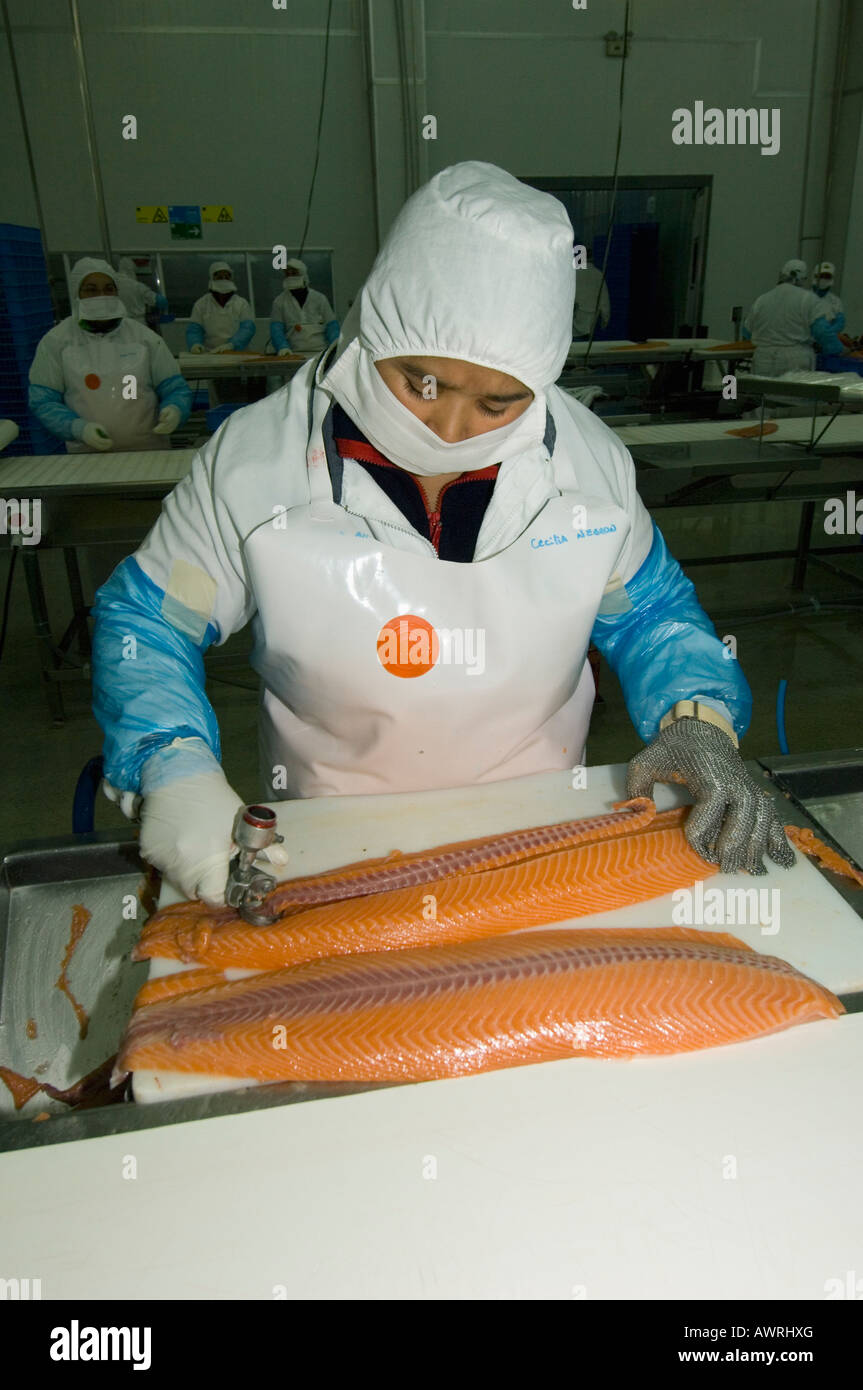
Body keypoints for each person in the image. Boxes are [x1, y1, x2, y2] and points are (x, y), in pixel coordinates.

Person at [92, 161, 794, 907]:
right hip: (329, 837)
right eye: (420, 384)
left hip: (546, 822)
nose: (452, 430)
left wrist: (698, 716)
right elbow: (150, 622)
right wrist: (170, 761)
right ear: (373, 328)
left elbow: (651, 615)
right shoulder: (256, 463)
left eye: (499, 402)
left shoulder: (586, 466)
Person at [28, 258, 191, 452]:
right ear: (76, 294)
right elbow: (43, 401)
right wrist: (78, 428)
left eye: (108, 288)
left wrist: (175, 409)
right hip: (87, 454)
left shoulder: (144, 338)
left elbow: (174, 388)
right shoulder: (56, 341)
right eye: (91, 289)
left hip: (148, 451)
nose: (101, 295)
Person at [742, 259, 847, 375]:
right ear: (803, 278)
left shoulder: (762, 300)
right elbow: (823, 333)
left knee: (763, 391)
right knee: (790, 392)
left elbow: (747, 332)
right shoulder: (808, 300)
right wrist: (839, 350)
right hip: (794, 361)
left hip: (763, 359)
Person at [270, 257, 339, 356]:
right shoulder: (279, 302)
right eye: (287, 274)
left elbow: (332, 326)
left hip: (321, 352)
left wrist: (335, 346)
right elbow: (277, 330)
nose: (290, 277)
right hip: (293, 354)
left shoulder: (319, 298)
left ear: (303, 275)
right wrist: (283, 347)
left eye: (294, 273)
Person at [186, 263, 255, 354]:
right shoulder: (201, 304)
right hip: (210, 354)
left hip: (237, 353)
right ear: (211, 279)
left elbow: (247, 329)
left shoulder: (241, 304)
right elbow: (194, 330)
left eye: (227, 277)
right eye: (219, 277)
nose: (223, 280)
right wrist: (195, 344)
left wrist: (232, 345)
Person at [115, 257, 169, 326]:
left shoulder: (112, 284)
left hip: (119, 323)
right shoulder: (137, 286)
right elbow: (161, 301)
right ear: (132, 269)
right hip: (138, 323)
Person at [572, 246, 611, 340]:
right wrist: (605, 319)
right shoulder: (598, 274)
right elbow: (604, 300)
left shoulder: (573, 274)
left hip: (575, 321)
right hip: (592, 321)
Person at [811, 262, 845, 333]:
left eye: (827, 277)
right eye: (821, 276)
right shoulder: (804, 297)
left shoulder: (835, 301)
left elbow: (839, 323)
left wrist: (828, 332)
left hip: (826, 340)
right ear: (815, 276)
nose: (823, 279)